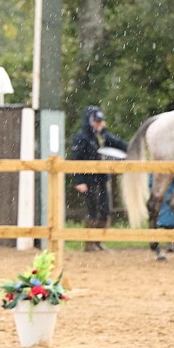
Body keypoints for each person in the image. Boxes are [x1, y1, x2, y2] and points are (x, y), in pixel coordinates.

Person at [70, 105, 128, 252]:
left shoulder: (102, 136)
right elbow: (75, 160)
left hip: (102, 179)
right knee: (93, 211)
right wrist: (79, 181)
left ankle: (98, 241)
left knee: (105, 210)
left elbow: (120, 144)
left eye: (100, 121)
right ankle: (90, 243)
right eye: (96, 121)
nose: (99, 123)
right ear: (89, 121)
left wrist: (132, 147)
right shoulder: (81, 138)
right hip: (89, 181)